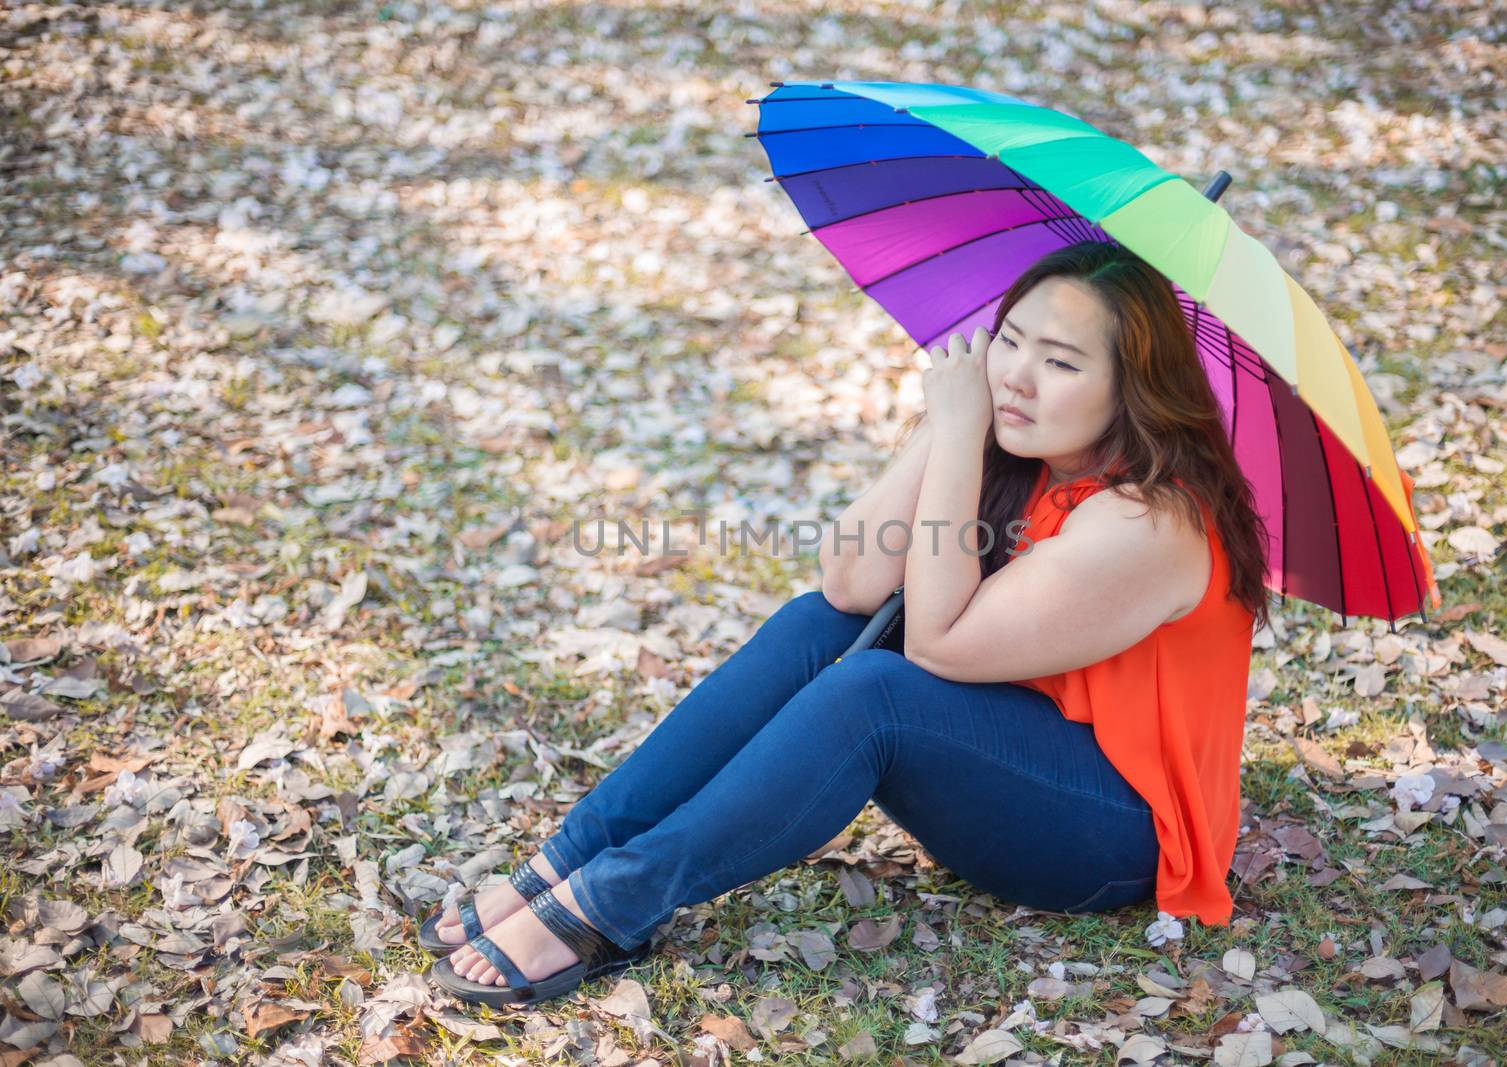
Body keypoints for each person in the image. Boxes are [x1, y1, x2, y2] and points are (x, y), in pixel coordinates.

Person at [425, 241, 1271, 1006]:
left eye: (1061, 361)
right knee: (814, 629)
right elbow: (851, 580)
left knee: (878, 691)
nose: (1016, 375)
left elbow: (940, 642)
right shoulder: (1029, 456)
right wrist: (947, 432)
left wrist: (963, 430)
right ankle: (570, 857)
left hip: (1111, 832)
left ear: (1133, 388)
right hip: (1020, 754)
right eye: (1009, 340)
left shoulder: (1148, 524)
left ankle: (611, 903)